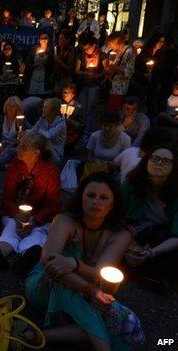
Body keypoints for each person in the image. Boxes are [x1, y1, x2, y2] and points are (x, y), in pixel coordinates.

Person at [25, 172, 143, 351]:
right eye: (90, 195)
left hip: (88, 292)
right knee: (63, 278)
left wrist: (75, 264)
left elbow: (100, 274)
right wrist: (90, 290)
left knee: (125, 324)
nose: (96, 202)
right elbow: (48, 262)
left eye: (104, 198)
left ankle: (40, 336)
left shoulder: (121, 235)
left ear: (112, 205)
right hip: (46, 284)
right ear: (81, 198)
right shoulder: (65, 220)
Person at [0, 132, 61, 275]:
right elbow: (8, 197)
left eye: (23, 147)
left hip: (39, 218)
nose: (18, 150)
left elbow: (51, 205)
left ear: (36, 153)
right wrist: (18, 216)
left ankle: (27, 259)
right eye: (19, 145)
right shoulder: (14, 166)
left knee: (37, 233)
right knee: (11, 226)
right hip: (15, 214)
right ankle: (0, 254)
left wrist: (34, 221)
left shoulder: (50, 171)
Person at [122, 145, 178, 294]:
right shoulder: (132, 183)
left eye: (166, 161)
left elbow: (177, 236)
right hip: (134, 233)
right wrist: (128, 233)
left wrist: (151, 252)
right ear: (146, 161)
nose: (159, 163)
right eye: (155, 158)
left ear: (174, 166)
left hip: (163, 238)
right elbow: (116, 212)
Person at [75, 35, 106, 137]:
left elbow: (107, 69)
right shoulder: (81, 54)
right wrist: (85, 73)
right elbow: (77, 70)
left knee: (91, 108)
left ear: (93, 45)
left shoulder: (101, 54)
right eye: (84, 49)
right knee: (81, 106)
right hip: (84, 85)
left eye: (88, 48)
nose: (86, 50)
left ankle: (88, 130)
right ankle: (82, 126)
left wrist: (97, 75)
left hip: (95, 85)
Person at [29, 98, 67, 164]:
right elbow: (32, 131)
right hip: (42, 151)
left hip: (55, 154)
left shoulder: (61, 122)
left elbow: (48, 136)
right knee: (27, 136)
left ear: (53, 110)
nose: (42, 109)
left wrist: (38, 132)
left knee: (44, 139)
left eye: (46, 107)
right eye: (43, 107)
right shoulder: (42, 120)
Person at [105, 32, 135, 110]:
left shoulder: (129, 51)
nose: (110, 46)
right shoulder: (116, 52)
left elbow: (130, 71)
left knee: (115, 110)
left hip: (120, 88)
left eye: (111, 44)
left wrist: (116, 68)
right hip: (113, 86)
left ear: (117, 42)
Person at [25, 33, 54, 98]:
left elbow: (54, 64)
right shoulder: (34, 50)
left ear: (48, 40)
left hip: (45, 81)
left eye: (45, 38)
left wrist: (46, 63)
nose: (44, 40)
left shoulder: (51, 51)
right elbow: (28, 64)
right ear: (39, 40)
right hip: (33, 80)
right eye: (42, 38)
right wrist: (35, 65)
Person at [61, 83, 85, 156]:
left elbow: (82, 125)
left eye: (68, 93)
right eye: (64, 92)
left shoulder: (79, 107)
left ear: (73, 94)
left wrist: (71, 122)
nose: (65, 95)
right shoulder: (61, 105)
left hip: (72, 134)